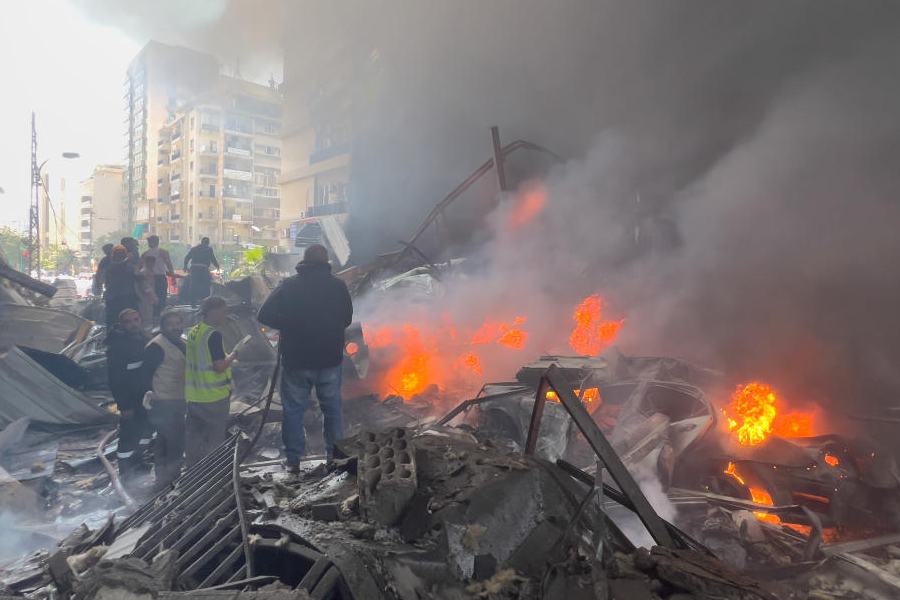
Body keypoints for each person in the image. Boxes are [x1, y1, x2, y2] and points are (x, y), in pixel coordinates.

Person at [257, 244, 353, 471]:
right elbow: (347, 318)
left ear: (304, 261)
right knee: (332, 410)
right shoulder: (338, 286)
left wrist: (289, 324)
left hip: (296, 360)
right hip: (329, 359)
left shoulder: (289, 286)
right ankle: (335, 457)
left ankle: (293, 461)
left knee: (293, 411)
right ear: (326, 261)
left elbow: (264, 314)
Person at [185, 296, 236, 466]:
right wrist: (234, 355)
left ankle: (193, 471)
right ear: (212, 312)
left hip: (194, 396)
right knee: (215, 438)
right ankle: (213, 471)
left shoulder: (194, 331)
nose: (225, 315)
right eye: (223, 311)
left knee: (195, 436)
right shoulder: (213, 335)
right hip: (213, 397)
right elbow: (219, 366)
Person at [141, 310, 186, 489]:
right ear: (163, 326)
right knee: (172, 441)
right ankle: (167, 479)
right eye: (171, 324)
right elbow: (145, 374)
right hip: (163, 401)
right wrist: (150, 394)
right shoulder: (156, 346)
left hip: (178, 398)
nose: (175, 327)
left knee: (166, 440)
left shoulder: (182, 343)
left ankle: (164, 478)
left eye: (178, 323)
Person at [106, 308, 151, 486]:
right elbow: (115, 380)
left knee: (146, 430)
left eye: (135, 319)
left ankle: (138, 461)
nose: (133, 324)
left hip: (145, 397)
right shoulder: (117, 345)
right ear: (122, 324)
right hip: (130, 400)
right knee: (129, 434)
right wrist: (124, 406)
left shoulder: (143, 339)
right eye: (128, 321)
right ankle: (125, 470)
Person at [104, 245, 139, 327]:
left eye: (122, 254)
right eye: (118, 254)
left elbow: (139, 278)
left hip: (127, 297)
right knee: (114, 322)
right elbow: (117, 267)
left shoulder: (130, 266)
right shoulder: (111, 266)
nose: (120, 256)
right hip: (114, 299)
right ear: (114, 255)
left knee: (129, 321)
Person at [142, 235, 175, 320]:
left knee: (151, 299)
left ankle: (154, 317)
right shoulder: (163, 252)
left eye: (149, 241)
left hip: (149, 279)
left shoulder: (145, 254)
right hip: (160, 278)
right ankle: (160, 317)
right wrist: (173, 277)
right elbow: (169, 265)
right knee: (161, 298)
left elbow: (139, 268)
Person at [184, 237, 219, 305]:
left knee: (193, 285)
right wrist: (217, 266)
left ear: (201, 242)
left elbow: (187, 257)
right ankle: (204, 301)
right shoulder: (209, 249)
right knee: (206, 284)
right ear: (208, 243)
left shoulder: (194, 249)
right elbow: (213, 259)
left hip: (194, 268)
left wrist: (185, 266)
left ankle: (193, 302)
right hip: (203, 269)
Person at [136, 254, 159, 327]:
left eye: (153, 262)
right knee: (146, 317)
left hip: (148, 298)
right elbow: (145, 287)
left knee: (149, 316)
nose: (152, 264)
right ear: (146, 262)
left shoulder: (150, 271)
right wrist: (153, 297)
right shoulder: (144, 272)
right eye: (150, 262)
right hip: (144, 298)